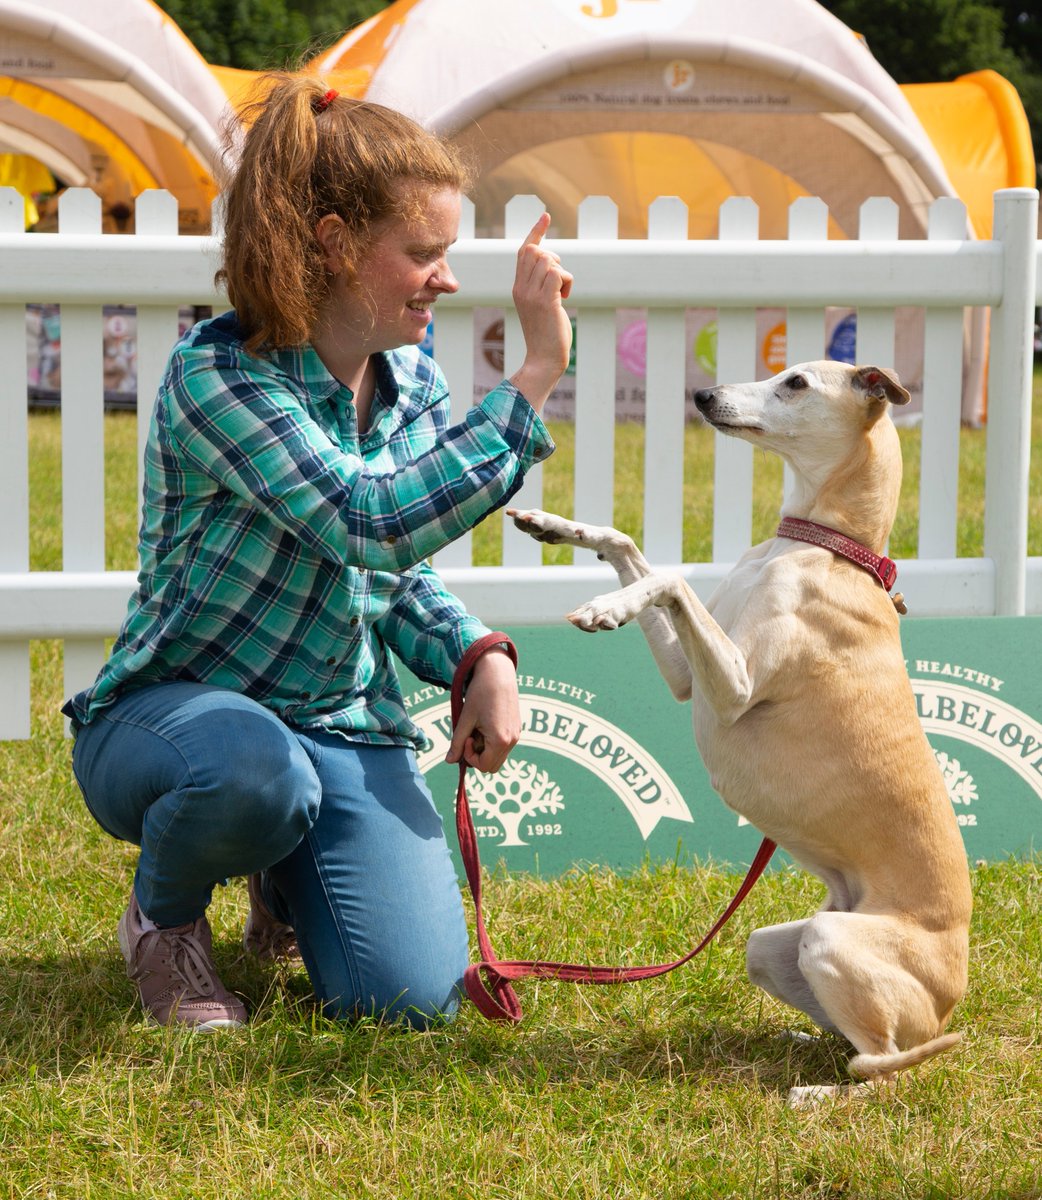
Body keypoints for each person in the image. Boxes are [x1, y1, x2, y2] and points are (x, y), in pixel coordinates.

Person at [63, 74, 573, 1031]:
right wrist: (535, 375)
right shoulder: (218, 374)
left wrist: (478, 655)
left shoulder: (412, 381)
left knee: (409, 1002)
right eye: (424, 252)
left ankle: (283, 876)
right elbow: (366, 519)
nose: (448, 279)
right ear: (334, 243)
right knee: (257, 773)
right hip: (174, 722)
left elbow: (396, 573)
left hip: (338, 720)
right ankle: (163, 924)